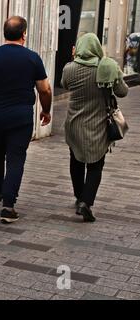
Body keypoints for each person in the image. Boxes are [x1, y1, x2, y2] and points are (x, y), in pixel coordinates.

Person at [0, 16, 52, 224]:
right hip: (21, 117)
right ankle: (8, 205)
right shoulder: (33, 58)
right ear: (24, 34)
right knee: (16, 159)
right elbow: (45, 89)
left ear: (5, 33)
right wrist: (46, 111)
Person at [61, 33, 129, 222]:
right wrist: (115, 75)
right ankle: (86, 202)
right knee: (95, 164)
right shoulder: (107, 66)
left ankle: (78, 195)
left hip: (74, 123)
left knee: (75, 160)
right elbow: (122, 92)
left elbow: (64, 85)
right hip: (98, 124)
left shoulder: (69, 69)